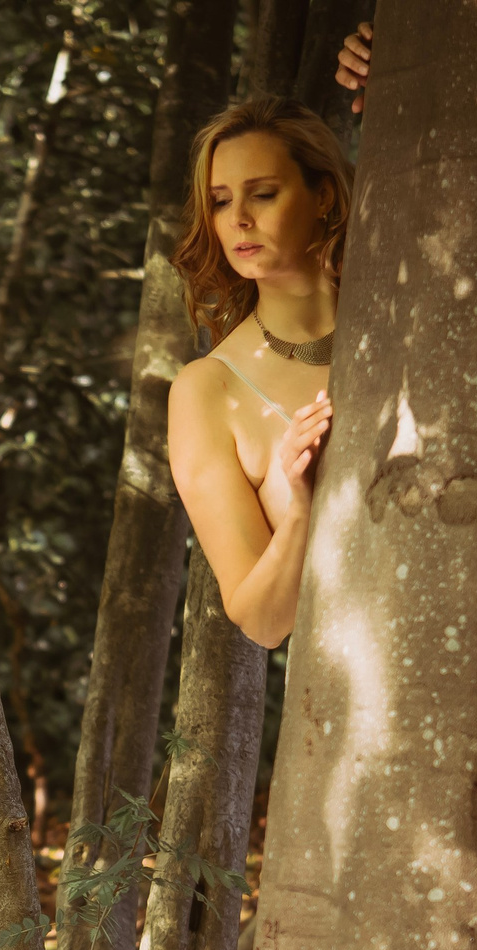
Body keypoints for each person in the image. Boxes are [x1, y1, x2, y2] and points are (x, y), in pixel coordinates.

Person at [163, 96, 355, 649]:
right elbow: (263, 623)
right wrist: (299, 507)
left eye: (263, 194)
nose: (240, 219)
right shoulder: (208, 390)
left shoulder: (404, 315)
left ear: (322, 195)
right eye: (221, 201)